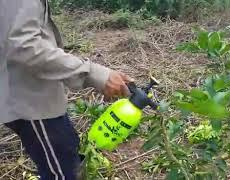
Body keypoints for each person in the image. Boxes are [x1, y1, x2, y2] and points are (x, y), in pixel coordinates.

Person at [0, 0, 133, 179]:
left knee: (67, 156)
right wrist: (93, 73)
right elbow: (26, 49)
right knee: (63, 173)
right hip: (31, 103)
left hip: (36, 98)